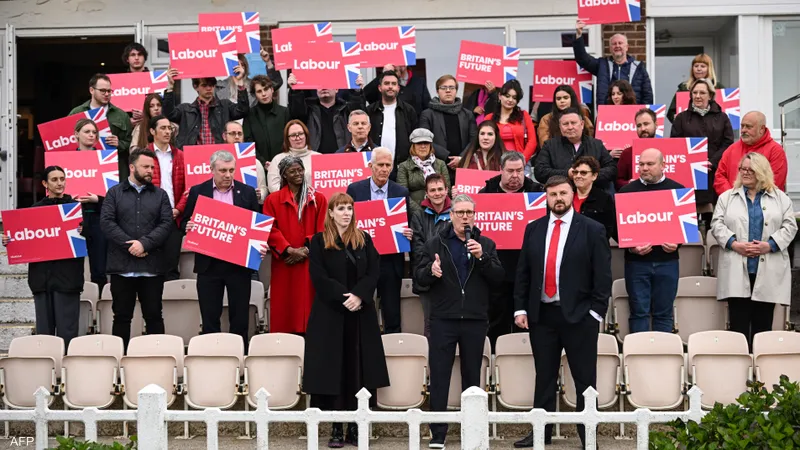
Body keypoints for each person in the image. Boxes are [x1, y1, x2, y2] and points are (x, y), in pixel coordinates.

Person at [512, 175, 612, 448]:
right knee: (543, 376)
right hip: (542, 315)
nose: (558, 198)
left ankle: (587, 435)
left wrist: (595, 314)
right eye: (553, 194)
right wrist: (521, 308)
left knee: (584, 379)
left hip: (580, 316)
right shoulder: (533, 228)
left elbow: (602, 276)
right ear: (546, 197)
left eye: (563, 193)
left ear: (572, 195)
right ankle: (540, 434)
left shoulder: (591, 229)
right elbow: (523, 273)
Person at [414, 193, 503, 448]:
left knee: (471, 377)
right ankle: (438, 434)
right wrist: (431, 272)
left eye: (469, 213)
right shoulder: (434, 243)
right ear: (451, 215)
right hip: (443, 318)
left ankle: (470, 431)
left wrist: (482, 258)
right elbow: (419, 278)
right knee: (440, 375)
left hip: (474, 319)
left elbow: (499, 279)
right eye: (460, 212)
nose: (465, 217)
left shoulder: (485, 243)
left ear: (474, 216)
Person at [304, 192, 389, 448]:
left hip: (360, 316)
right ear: (330, 212)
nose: (346, 213)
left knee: (357, 370)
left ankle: (355, 426)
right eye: (340, 208)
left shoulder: (364, 239)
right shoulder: (319, 242)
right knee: (333, 370)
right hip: (330, 315)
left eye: (349, 208)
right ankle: (336, 428)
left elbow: (375, 271)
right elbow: (319, 277)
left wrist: (360, 296)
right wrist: (345, 297)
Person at [711, 152, 797, 351]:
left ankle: (760, 375)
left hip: (767, 270)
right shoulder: (727, 198)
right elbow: (717, 225)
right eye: (743, 169)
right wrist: (734, 244)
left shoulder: (781, 198)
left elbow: (790, 226)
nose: (746, 173)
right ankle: (740, 374)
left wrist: (770, 245)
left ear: (762, 172)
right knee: (738, 329)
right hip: (737, 268)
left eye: (751, 170)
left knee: (763, 328)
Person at [181, 150, 265, 351]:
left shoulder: (246, 192)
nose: (227, 175)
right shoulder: (197, 191)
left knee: (240, 317)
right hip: (209, 265)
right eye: (222, 171)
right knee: (210, 316)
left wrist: (260, 245)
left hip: (238, 265)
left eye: (231, 170)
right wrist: (188, 226)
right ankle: (212, 357)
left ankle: (240, 358)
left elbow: (257, 225)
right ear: (212, 170)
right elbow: (184, 221)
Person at [2, 166, 84, 350]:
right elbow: (23, 239)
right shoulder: (34, 210)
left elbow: (93, 237)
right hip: (42, 280)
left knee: (68, 334)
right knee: (44, 336)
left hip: (68, 279)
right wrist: (10, 240)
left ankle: (68, 371)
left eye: (62, 178)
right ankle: (46, 372)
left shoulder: (75, 209)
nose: (59, 183)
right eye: (54, 179)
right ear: (45, 184)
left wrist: (84, 231)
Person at [99, 148, 173, 350]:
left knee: (154, 316)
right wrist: (131, 245)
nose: (150, 171)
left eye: (152, 167)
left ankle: (158, 359)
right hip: (122, 267)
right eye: (145, 166)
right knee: (121, 317)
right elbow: (106, 223)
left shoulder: (160, 195)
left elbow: (166, 224)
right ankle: (121, 361)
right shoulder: (114, 193)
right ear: (132, 167)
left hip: (152, 267)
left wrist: (145, 244)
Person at [479, 151, 542, 350]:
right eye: (510, 171)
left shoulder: (536, 193)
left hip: (527, 268)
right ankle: (498, 361)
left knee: (526, 319)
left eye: (519, 171)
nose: (515, 175)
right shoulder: (486, 193)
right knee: (497, 319)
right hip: (496, 268)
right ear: (501, 170)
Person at [618, 149, 685, 333]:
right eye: (641, 164)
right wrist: (632, 248)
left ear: (663, 165)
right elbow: (618, 228)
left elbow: (685, 225)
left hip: (667, 261)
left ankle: (661, 357)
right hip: (637, 263)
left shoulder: (678, 190)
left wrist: (677, 243)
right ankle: (638, 356)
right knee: (639, 313)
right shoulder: (626, 192)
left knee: (664, 314)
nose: (644, 168)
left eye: (650, 164)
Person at [346, 148, 411, 334]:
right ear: (370, 166)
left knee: (392, 312)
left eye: (388, 165)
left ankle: (393, 353)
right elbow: (347, 221)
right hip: (361, 261)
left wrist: (408, 233)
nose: (384, 169)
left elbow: (407, 223)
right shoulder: (355, 190)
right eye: (380, 165)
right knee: (360, 310)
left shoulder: (401, 192)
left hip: (390, 263)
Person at [263, 156, 327, 334]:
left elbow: (323, 229)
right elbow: (270, 229)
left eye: (300, 170)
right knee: (285, 306)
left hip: (310, 261)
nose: (298, 174)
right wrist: (289, 250)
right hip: (285, 262)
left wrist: (305, 250)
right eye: (293, 171)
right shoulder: (273, 200)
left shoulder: (318, 199)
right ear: (284, 175)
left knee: (309, 305)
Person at [671, 78, 734, 207]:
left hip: (716, 171)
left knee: (714, 213)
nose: (698, 96)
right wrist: (696, 162)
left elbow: (728, 142)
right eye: (694, 93)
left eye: (702, 93)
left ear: (710, 95)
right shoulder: (681, 118)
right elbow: (675, 145)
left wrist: (712, 161)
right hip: (690, 175)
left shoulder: (722, 117)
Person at [162, 68, 249, 149]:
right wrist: (170, 87)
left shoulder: (224, 105)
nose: (208, 88)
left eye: (211, 85)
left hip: (220, 155)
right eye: (204, 85)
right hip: (194, 158)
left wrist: (240, 83)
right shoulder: (185, 109)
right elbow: (169, 114)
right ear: (195, 87)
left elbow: (242, 111)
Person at [410, 174, 452, 337]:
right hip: (426, 278)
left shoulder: (456, 213)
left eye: (440, 189)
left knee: (451, 324)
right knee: (430, 323)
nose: (437, 193)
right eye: (433, 190)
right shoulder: (419, 216)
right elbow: (418, 249)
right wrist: (432, 267)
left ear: (446, 190)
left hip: (452, 278)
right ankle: (432, 361)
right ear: (427, 194)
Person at [573, 20, 653, 105]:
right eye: (614, 44)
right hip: (607, 114)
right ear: (610, 48)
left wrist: (643, 116)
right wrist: (579, 34)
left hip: (632, 115)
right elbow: (582, 59)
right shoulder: (602, 65)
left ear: (627, 47)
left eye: (620, 43)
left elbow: (647, 95)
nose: (617, 46)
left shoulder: (639, 67)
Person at [69, 73, 132, 179]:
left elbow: (131, 143)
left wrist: (119, 144)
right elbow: (65, 141)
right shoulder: (77, 113)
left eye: (109, 91)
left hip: (111, 170)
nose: (107, 94)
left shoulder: (121, 115)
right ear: (91, 90)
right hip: (81, 169)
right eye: (102, 91)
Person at [146, 115, 185, 281]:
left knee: (171, 265)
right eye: (163, 128)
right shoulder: (143, 155)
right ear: (152, 131)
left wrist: (178, 209)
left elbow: (187, 187)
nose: (167, 131)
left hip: (173, 218)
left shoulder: (180, 156)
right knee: (151, 266)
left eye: (169, 128)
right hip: (150, 219)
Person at [535, 108, 617, 187]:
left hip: (593, 194)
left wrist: (589, 175)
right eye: (565, 124)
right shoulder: (550, 145)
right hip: (561, 195)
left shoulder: (596, 144)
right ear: (560, 127)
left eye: (573, 123)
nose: (570, 127)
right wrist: (566, 173)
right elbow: (539, 171)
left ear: (582, 124)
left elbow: (612, 169)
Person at [287, 72, 365, 154]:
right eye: (319, 85)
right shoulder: (308, 110)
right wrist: (295, 91)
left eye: (328, 83)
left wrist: (357, 91)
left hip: (343, 160)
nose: (323, 87)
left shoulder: (346, 110)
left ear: (337, 89)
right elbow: (296, 113)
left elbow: (359, 115)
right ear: (316, 90)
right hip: (314, 160)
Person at [72, 119, 109, 289]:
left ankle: (100, 305)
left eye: (94, 132)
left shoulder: (105, 160)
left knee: (100, 268)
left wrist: (98, 200)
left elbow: (112, 197)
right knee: (74, 268)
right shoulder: (65, 160)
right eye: (87, 131)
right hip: (73, 218)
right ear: (76, 135)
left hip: (98, 217)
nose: (91, 135)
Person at [715, 111, 787, 195]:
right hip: (732, 204)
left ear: (761, 129)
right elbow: (720, 177)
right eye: (742, 126)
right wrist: (732, 197)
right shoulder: (731, 149)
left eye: (748, 127)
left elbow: (774, 182)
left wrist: (751, 200)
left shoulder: (775, 151)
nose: (743, 130)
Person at [419, 74, 477, 169]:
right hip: (436, 165)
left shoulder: (467, 114)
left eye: (451, 87)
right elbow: (425, 139)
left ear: (456, 91)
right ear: (437, 91)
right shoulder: (427, 114)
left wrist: (461, 158)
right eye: (444, 87)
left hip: (463, 164)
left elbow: (473, 140)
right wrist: (447, 157)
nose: (448, 91)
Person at [366, 71, 418, 171]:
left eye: (394, 84)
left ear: (398, 88)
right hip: (375, 167)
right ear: (380, 88)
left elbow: (414, 139)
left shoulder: (408, 110)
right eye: (386, 83)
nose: (390, 87)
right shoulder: (370, 111)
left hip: (402, 167)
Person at [397, 128, 451, 212]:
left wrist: (439, 210)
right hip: (415, 213)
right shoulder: (404, 166)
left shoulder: (441, 164)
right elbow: (403, 195)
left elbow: (448, 190)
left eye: (426, 143)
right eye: (419, 143)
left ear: (430, 145)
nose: (423, 146)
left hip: (440, 211)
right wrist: (420, 212)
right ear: (413, 146)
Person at [243, 74, 291, 167]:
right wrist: (262, 162)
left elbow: (289, 141)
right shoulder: (250, 114)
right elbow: (248, 143)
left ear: (272, 90)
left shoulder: (284, 112)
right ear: (255, 95)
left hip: (283, 165)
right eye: (259, 91)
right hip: (258, 166)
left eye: (266, 89)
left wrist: (282, 161)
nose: (263, 94)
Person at [485, 80, 537, 163]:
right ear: (499, 96)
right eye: (507, 96)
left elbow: (532, 141)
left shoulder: (524, 116)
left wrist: (522, 160)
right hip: (493, 163)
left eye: (514, 97)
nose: (510, 100)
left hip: (518, 164)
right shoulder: (489, 118)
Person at [667, 53, 724, 123]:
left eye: (703, 66)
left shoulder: (718, 88)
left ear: (709, 69)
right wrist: (676, 119)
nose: (699, 69)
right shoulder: (684, 88)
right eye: (696, 66)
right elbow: (671, 112)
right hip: (689, 130)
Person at [267, 120, 320, 193]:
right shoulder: (277, 159)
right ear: (287, 139)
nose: (298, 138)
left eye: (301, 134)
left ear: (306, 135)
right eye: (293, 135)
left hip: (315, 202)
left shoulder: (319, 157)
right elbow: (273, 188)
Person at [216, 50, 284, 107]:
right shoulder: (220, 85)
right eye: (236, 65)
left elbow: (276, 82)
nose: (239, 68)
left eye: (242, 65)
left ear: (246, 67)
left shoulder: (253, 85)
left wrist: (268, 62)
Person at [571, 156, 617, 241]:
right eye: (575, 172)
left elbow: (607, 230)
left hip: (593, 248)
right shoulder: (566, 196)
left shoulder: (604, 199)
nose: (578, 176)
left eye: (583, 173)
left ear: (594, 176)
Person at [224, 121, 268, 204]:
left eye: (240, 134)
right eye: (232, 133)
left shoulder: (254, 161)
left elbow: (263, 187)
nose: (237, 137)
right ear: (224, 136)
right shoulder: (217, 160)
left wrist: (260, 195)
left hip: (247, 207)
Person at [364, 63, 430, 118]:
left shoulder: (419, 82)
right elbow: (367, 94)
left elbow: (427, 107)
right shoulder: (383, 82)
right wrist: (384, 74)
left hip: (413, 127)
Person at [616, 108, 658, 190]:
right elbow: (617, 181)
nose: (642, 129)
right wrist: (628, 184)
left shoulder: (667, 149)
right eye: (639, 125)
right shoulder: (627, 153)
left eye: (646, 124)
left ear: (656, 124)